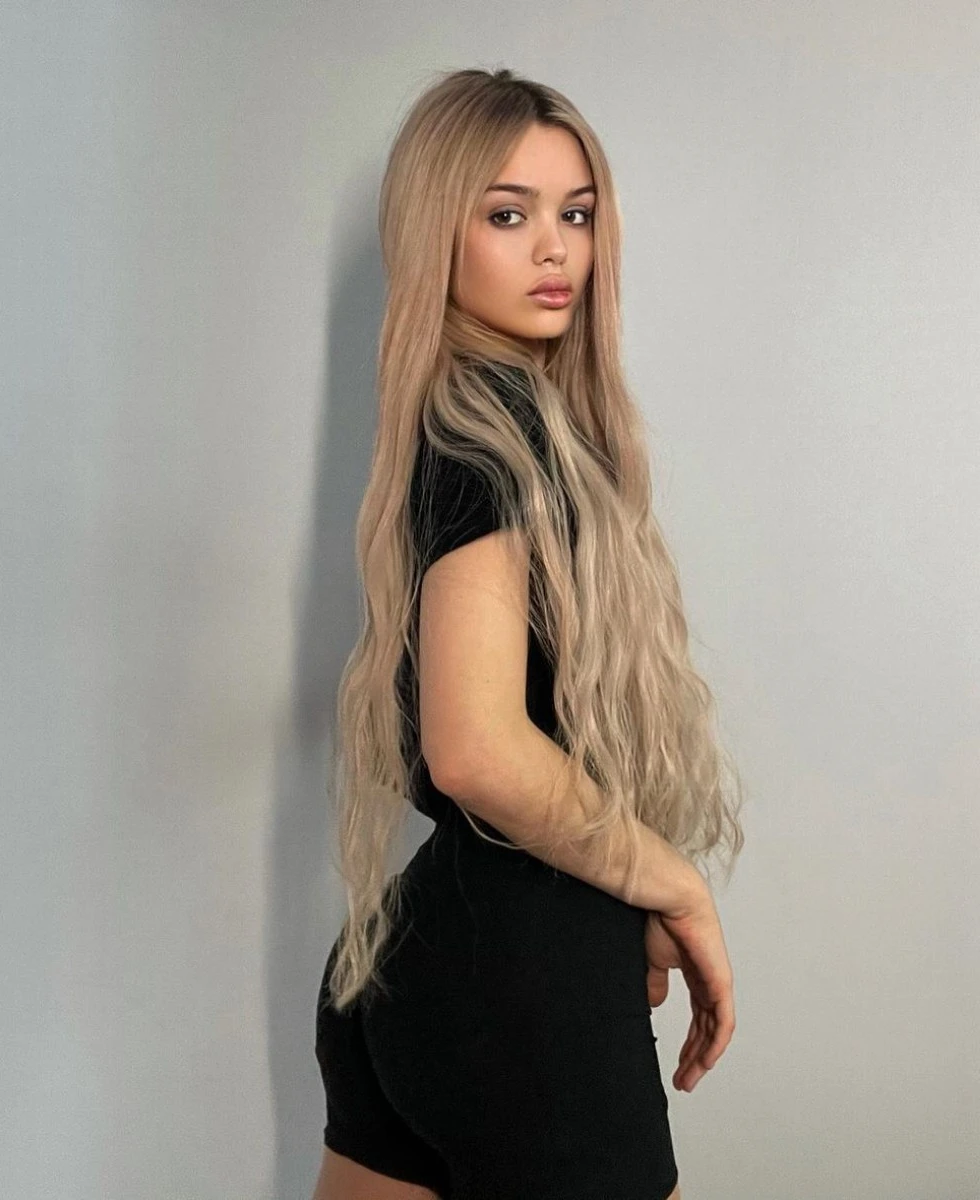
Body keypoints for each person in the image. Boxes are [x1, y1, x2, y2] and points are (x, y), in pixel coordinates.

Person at [312, 66, 744, 1200]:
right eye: (508, 215)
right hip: (521, 983)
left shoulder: (454, 422)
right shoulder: (500, 437)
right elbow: (474, 749)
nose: (556, 248)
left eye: (576, 214)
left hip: (407, 960)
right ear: (436, 232)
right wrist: (674, 884)